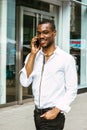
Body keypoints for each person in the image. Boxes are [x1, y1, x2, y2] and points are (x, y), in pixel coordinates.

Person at [20, 19, 77, 130]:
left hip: (53, 116)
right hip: (37, 114)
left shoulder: (66, 59)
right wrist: (32, 54)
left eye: (45, 32)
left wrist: (56, 111)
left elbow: (72, 90)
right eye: (39, 33)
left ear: (54, 33)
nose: (41, 36)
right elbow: (25, 82)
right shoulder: (32, 57)